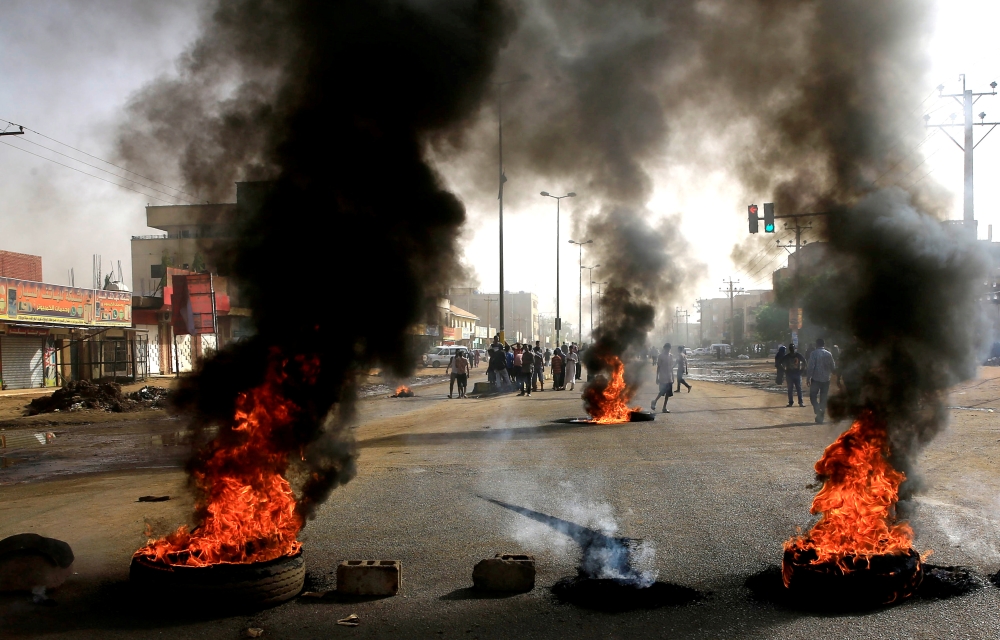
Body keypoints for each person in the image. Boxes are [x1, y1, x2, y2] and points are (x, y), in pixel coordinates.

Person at [807, 338, 836, 424]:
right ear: (824, 344)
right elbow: (833, 367)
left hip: (816, 379)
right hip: (826, 379)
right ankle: (821, 416)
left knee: (813, 396)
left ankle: (817, 409)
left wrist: (808, 377)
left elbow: (811, 366)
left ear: (817, 344)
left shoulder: (814, 353)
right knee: (823, 397)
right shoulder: (829, 354)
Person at [651, 343, 674, 413]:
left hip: (669, 377)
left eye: (669, 348)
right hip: (663, 377)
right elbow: (658, 367)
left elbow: (671, 367)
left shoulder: (671, 356)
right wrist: (657, 377)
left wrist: (673, 377)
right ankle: (654, 401)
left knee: (668, 393)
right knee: (662, 392)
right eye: (667, 348)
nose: (668, 350)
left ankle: (664, 408)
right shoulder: (660, 356)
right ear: (664, 348)